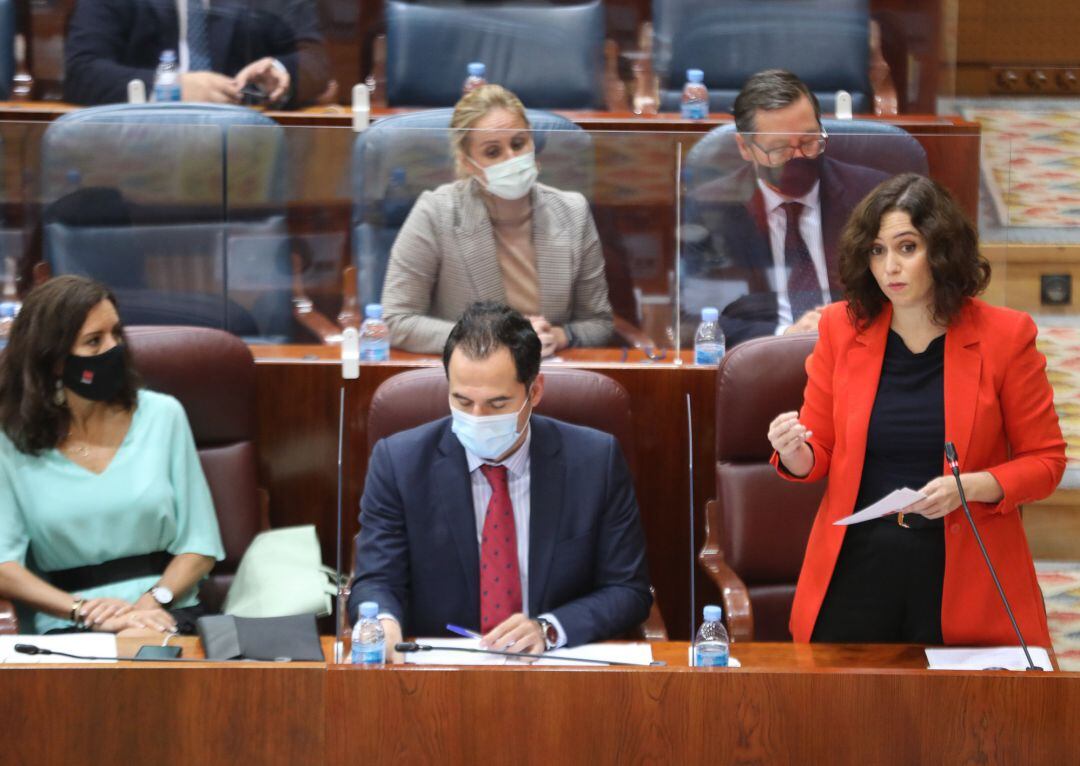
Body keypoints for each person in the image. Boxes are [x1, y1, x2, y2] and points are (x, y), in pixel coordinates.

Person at [767, 173, 1066, 646]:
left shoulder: (1005, 337)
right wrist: (793, 451)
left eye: (907, 248)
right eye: (877, 250)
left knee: (960, 717)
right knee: (844, 714)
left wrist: (971, 487)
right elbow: (817, 451)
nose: (890, 267)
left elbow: (1046, 462)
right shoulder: (841, 330)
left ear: (942, 251)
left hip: (959, 565)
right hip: (857, 563)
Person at [349, 302, 651, 661]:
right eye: (462, 400)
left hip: (555, 668)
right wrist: (384, 623)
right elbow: (376, 580)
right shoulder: (399, 463)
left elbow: (628, 590)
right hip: (437, 671)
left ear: (534, 392)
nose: (476, 417)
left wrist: (548, 629)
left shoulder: (594, 461)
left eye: (497, 404)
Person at [0, 276, 225, 634]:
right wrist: (83, 610)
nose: (114, 348)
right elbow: (4, 568)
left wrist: (150, 603)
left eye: (117, 334)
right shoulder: (11, 439)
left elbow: (200, 547)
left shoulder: (162, 415)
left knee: (142, 645)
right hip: (69, 621)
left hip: (168, 612)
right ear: (55, 359)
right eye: (94, 341)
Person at [381, 85, 614, 356]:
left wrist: (560, 336)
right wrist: (491, 338)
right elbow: (395, 321)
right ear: (468, 164)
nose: (512, 159)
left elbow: (599, 323)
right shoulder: (436, 212)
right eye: (493, 152)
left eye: (518, 144)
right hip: (469, 381)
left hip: (549, 374)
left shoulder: (572, 212)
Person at [682, 69, 889, 347]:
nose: (799, 158)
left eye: (808, 142)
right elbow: (698, 317)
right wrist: (784, 337)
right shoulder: (712, 206)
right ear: (745, 147)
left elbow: (901, 296)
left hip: (856, 350)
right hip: (762, 362)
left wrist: (845, 325)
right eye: (779, 149)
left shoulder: (871, 193)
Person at [63, 0, 331, 109]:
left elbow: (315, 60)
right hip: (135, 156)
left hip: (245, 156)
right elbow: (83, 72)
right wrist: (172, 87)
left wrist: (280, 71)